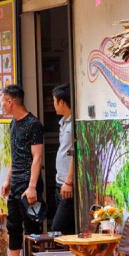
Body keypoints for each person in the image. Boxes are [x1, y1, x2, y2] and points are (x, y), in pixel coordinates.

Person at [0, 85, 45, 256]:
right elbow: (14, 156)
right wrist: (7, 180)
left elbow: (37, 157)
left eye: (3, 102)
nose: (2, 105)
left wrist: (32, 186)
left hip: (28, 183)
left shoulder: (33, 124)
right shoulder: (13, 124)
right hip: (15, 183)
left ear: (10, 102)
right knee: (13, 224)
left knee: (32, 226)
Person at [52, 84, 75, 235]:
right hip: (59, 182)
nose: (53, 104)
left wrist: (69, 181)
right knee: (66, 230)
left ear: (62, 102)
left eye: (54, 101)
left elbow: (75, 153)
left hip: (67, 183)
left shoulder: (74, 124)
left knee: (58, 227)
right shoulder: (63, 123)